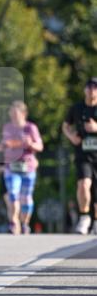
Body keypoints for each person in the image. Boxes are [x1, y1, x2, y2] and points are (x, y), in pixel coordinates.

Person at [0, 100, 44, 234]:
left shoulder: (31, 128)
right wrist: (2, 146)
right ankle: (13, 222)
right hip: (11, 167)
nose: (13, 116)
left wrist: (30, 144)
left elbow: (40, 146)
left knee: (26, 197)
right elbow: (2, 145)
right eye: (11, 113)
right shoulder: (7, 127)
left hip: (27, 167)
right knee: (12, 194)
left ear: (23, 114)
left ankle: (25, 223)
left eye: (15, 114)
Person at [62, 77, 97, 234]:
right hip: (83, 155)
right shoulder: (77, 108)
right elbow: (65, 125)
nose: (92, 90)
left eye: (95, 87)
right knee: (83, 185)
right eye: (89, 87)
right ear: (84, 90)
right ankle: (84, 217)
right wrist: (71, 136)